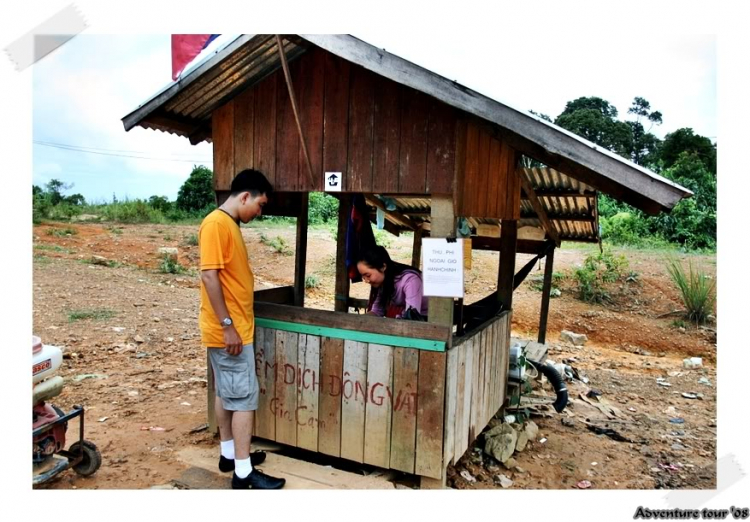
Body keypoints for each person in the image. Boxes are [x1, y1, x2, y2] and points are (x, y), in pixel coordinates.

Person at [199, 169, 285, 490]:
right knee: (245, 399)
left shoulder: (227, 226)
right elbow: (210, 277)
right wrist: (228, 326)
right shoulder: (216, 224)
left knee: (227, 393)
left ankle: (229, 455)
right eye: (260, 205)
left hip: (231, 329)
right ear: (245, 196)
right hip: (230, 331)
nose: (259, 212)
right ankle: (244, 473)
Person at [356, 245, 428, 319]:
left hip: (429, 319)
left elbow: (412, 317)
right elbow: (376, 311)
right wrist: (358, 320)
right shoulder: (383, 283)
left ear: (383, 267)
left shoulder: (410, 280)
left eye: (368, 275)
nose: (366, 281)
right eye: (363, 277)